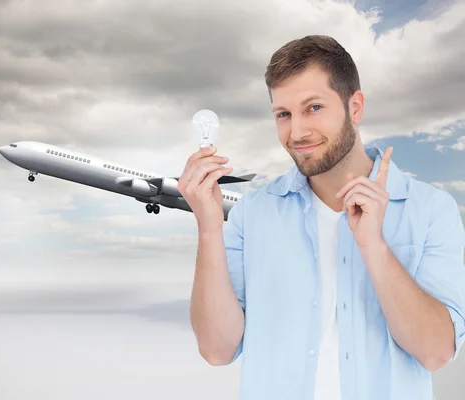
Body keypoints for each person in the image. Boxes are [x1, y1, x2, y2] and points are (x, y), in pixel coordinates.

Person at [178, 35, 465, 400]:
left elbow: (436, 352)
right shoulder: (253, 214)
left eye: (313, 108)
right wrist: (208, 228)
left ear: (355, 106)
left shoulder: (429, 210)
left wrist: (374, 247)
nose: (296, 133)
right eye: (283, 114)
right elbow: (217, 350)